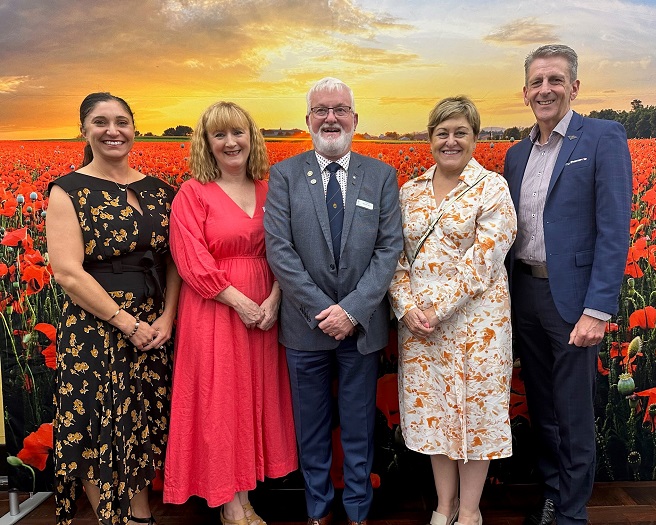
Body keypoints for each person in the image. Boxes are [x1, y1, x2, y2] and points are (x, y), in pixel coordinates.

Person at [503, 44, 633, 525]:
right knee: (543, 407)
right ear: (524, 92)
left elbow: (614, 229)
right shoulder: (517, 155)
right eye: (537, 82)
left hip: (574, 300)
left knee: (573, 411)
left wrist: (598, 309)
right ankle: (554, 493)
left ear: (574, 87)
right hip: (527, 296)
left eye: (555, 80)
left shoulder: (601, 138)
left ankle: (573, 513)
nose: (545, 90)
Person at [263, 77, 403, 525]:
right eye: (321, 110)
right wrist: (322, 311)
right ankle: (318, 512)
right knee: (312, 429)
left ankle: (358, 512)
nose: (330, 117)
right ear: (307, 120)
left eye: (339, 109)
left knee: (360, 427)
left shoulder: (380, 176)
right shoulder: (285, 175)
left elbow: (389, 248)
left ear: (355, 120)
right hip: (305, 328)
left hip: (361, 329)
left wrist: (352, 311)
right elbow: (279, 249)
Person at [47, 92, 181, 525]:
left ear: (134, 130)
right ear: (84, 131)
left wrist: (166, 318)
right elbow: (67, 272)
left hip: (152, 323)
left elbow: (173, 262)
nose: (112, 131)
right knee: (94, 423)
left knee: (140, 419)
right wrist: (125, 322)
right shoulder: (68, 191)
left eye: (121, 122)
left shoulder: (161, 192)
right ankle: (111, 519)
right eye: (100, 122)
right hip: (95, 326)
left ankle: (140, 516)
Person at [163, 101, 297, 525]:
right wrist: (239, 301)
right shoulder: (192, 193)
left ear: (251, 138)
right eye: (218, 134)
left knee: (252, 399)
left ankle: (246, 495)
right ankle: (230, 505)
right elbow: (190, 260)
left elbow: (287, 249)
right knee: (221, 402)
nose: (229, 142)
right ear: (206, 143)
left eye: (237, 132)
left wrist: (275, 297)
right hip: (216, 309)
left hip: (266, 308)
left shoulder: (269, 188)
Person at [389, 96, 517, 525]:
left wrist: (434, 307)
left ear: (475, 137)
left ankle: (470, 511)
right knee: (435, 415)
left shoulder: (493, 188)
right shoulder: (410, 192)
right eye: (442, 133)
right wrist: (406, 306)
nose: (450, 141)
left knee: (476, 414)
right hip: (421, 328)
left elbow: (485, 258)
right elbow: (394, 257)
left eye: (460, 132)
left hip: (477, 325)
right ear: (430, 139)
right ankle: (443, 507)